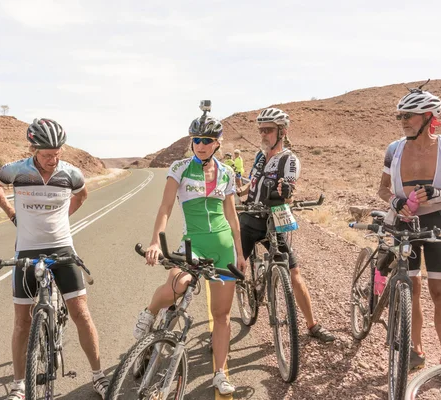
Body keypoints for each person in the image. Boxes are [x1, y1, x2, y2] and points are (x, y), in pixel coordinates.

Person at [0, 118, 109, 400]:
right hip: (26, 250)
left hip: (63, 249)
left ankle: (99, 376)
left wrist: (61, 220)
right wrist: (10, 213)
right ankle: (18, 385)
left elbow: (82, 195)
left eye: (57, 153)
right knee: (21, 323)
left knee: (81, 314)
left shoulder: (71, 174)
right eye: (46, 155)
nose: (53, 160)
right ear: (33, 149)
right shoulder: (17, 171)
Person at [133, 111, 246, 395]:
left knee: (221, 315)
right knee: (177, 286)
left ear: (217, 143)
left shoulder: (227, 173)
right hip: (192, 244)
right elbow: (165, 207)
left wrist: (241, 254)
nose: (201, 145)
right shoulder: (180, 167)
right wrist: (156, 242)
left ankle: (219, 373)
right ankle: (149, 312)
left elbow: (233, 218)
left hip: (223, 249)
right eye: (196, 139)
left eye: (207, 140)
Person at [377, 85, 441, 379]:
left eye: (410, 115)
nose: (404, 120)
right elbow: (381, 188)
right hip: (403, 223)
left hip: (437, 222)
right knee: (411, 287)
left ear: (429, 116)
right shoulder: (394, 149)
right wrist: (396, 201)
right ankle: (415, 351)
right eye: (401, 116)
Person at [236, 107, 335, 343]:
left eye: (268, 130)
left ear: (282, 132)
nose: (263, 134)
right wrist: (236, 191)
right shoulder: (260, 157)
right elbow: (252, 183)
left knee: (294, 272)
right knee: (234, 269)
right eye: (261, 130)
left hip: (274, 220)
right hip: (249, 218)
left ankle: (312, 325)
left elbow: (289, 187)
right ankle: (221, 327)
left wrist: (287, 193)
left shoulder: (289, 160)